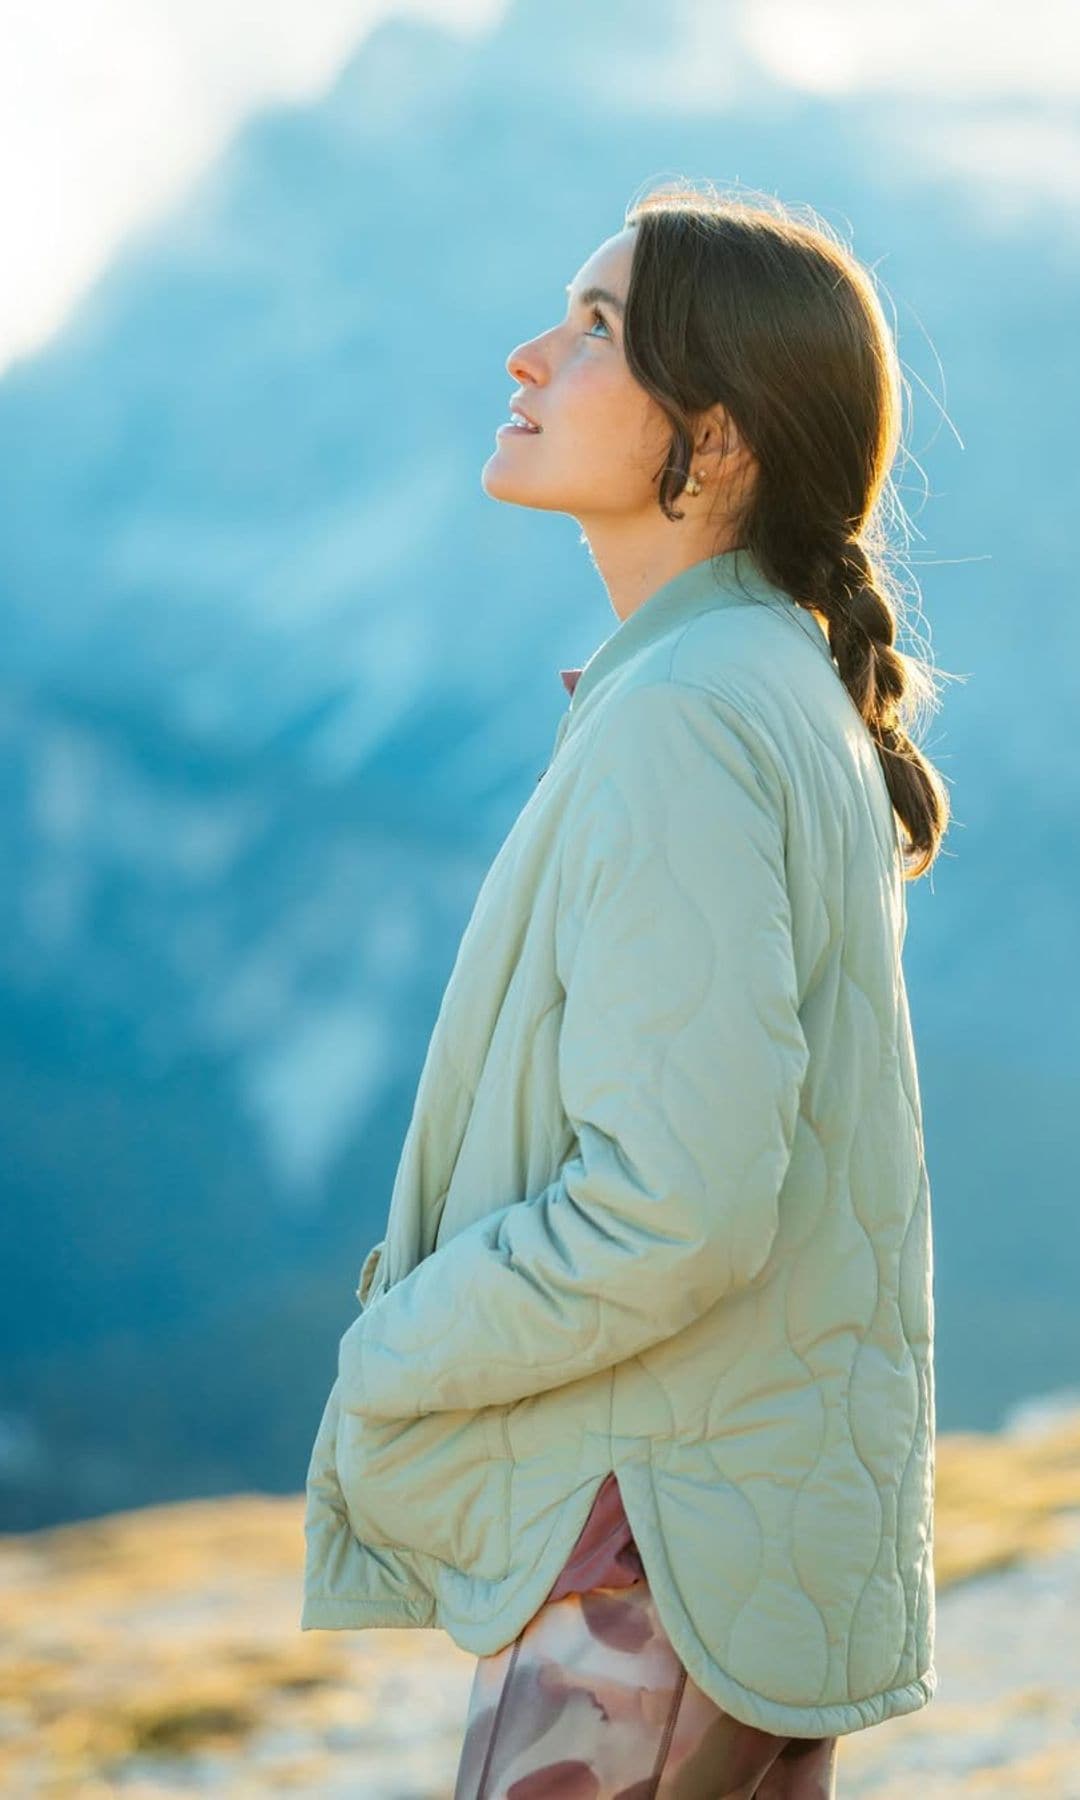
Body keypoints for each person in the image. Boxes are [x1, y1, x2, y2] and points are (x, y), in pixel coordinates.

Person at [301, 180, 951, 1798]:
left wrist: (394, 1345)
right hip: (712, 1531)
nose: (528, 355)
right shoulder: (754, 680)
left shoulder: (691, 716)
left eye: (593, 329)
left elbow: (678, 1201)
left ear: (711, 443)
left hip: (647, 1546)